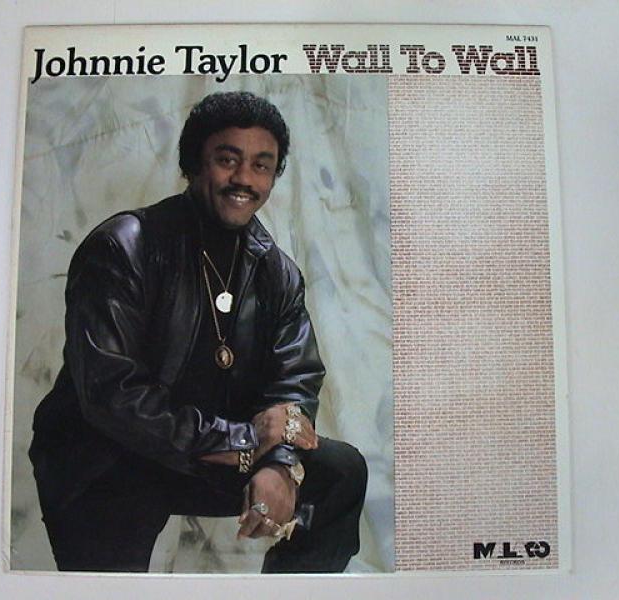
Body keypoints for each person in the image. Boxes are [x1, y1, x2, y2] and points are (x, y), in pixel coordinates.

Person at [29, 91, 368, 573]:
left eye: (262, 165)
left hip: (211, 452)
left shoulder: (276, 271)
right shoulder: (124, 247)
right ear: (193, 164)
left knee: (340, 472)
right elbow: (112, 395)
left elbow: (294, 378)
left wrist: (278, 462)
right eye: (227, 160)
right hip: (107, 454)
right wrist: (245, 440)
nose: (244, 179)